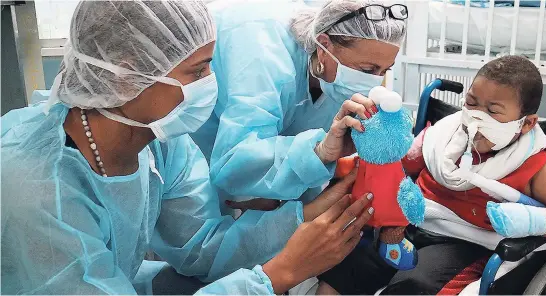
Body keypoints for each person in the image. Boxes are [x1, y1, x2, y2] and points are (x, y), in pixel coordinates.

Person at [0, 1, 375, 294]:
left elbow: (202, 247)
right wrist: (278, 275)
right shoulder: (38, 188)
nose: (210, 85)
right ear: (128, 75)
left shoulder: (161, 144)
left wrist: (309, 215)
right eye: (197, 72)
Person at [317, 55, 546, 295]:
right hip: (409, 225)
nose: (476, 117)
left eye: (493, 111)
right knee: (344, 264)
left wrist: (530, 219)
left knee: (415, 286)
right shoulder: (442, 135)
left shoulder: (533, 164)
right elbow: (397, 168)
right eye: (471, 103)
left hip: (466, 242)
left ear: (526, 124)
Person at [189, 0, 407, 211]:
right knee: (208, 218)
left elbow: (304, 161)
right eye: (368, 70)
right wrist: (319, 152)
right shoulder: (264, 56)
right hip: (199, 121)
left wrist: (288, 201)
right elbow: (234, 159)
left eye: (384, 71)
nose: (374, 81)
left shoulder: (335, 79)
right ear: (323, 48)